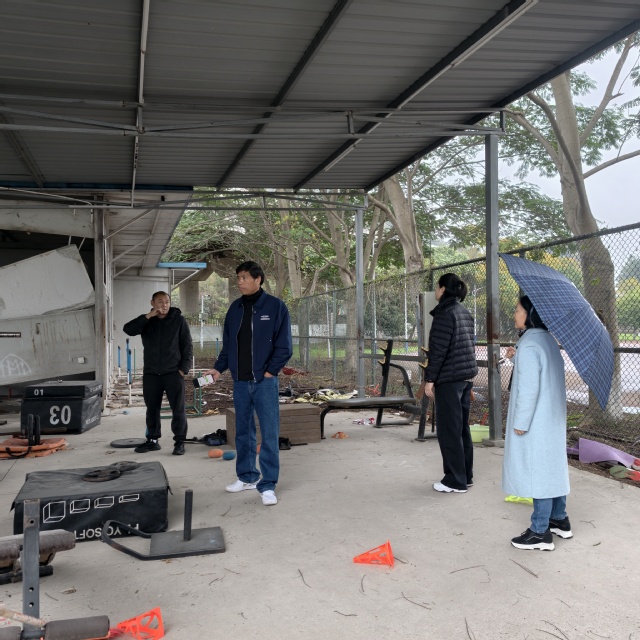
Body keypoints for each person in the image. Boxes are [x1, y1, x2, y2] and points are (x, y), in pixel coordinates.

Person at [202, 261, 292, 507]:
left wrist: (270, 372)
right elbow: (228, 346)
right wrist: (218, 369)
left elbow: (284, 346)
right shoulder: (235, 309)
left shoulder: (275, 307)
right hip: (240, 382)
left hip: (264, 382)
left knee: (269, 433)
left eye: (244, 277)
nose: (240, 282)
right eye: (238, 278)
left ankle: (268, 484)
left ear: (258, 279)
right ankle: (247, 477)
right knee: (243, 432)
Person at [503, 296, 571, 551]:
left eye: (518, 309)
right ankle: (559, 519)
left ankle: (540, 531)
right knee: (552, 467)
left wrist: (521, 421)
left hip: (535, 420)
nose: (514, 314)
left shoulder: (529, 344)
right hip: (551, 417)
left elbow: (529, 388)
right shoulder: (547, 340)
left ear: (530, 314)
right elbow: (538, 371)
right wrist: (516, 358)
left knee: (537, 470)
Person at [424, 273, 478, 493]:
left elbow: (438, 351)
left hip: (449, 379)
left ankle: (455, 481)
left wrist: (430, 379)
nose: (435, 291)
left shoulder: (445, 313)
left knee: (449, 431)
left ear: (443, 289)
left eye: (437, 287)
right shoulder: (464, 312)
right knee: (462, 429)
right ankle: (465, 476)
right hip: (464, 378)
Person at [123, 291, 192, 455]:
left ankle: (179, 442)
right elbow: (128, 329)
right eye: (160, 302)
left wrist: (183, 369)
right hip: (151, 373)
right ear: (152, 303)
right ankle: (152, 440)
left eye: (167, 301)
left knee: (178, 409)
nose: (164, 305)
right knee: (152, 409)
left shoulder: (179, 320)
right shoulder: (147, 321)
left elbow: (187, 345)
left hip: (173, 372)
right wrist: (148, 316)